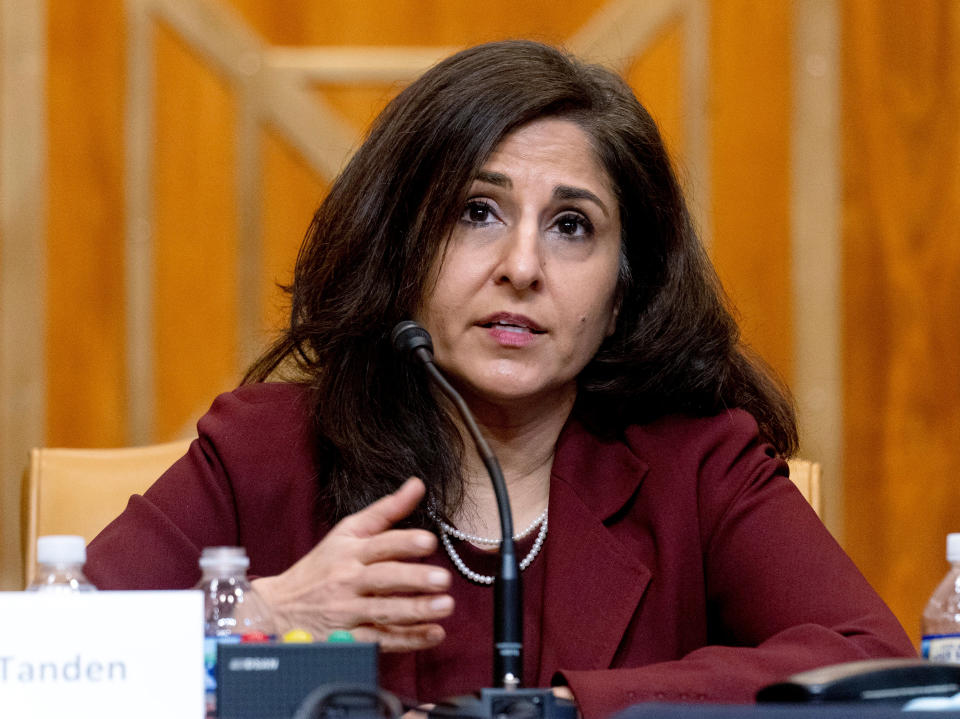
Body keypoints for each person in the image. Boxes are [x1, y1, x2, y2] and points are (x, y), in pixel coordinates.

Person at [85, 40, 914, 717]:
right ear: (403, 246)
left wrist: (557, 709)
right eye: (476, 212)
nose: (521, 267)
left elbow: (867, 663)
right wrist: (262, 617)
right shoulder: (266, 451)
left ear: (623, 291)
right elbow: (47, 664)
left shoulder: (695, 466)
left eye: (571, 226)